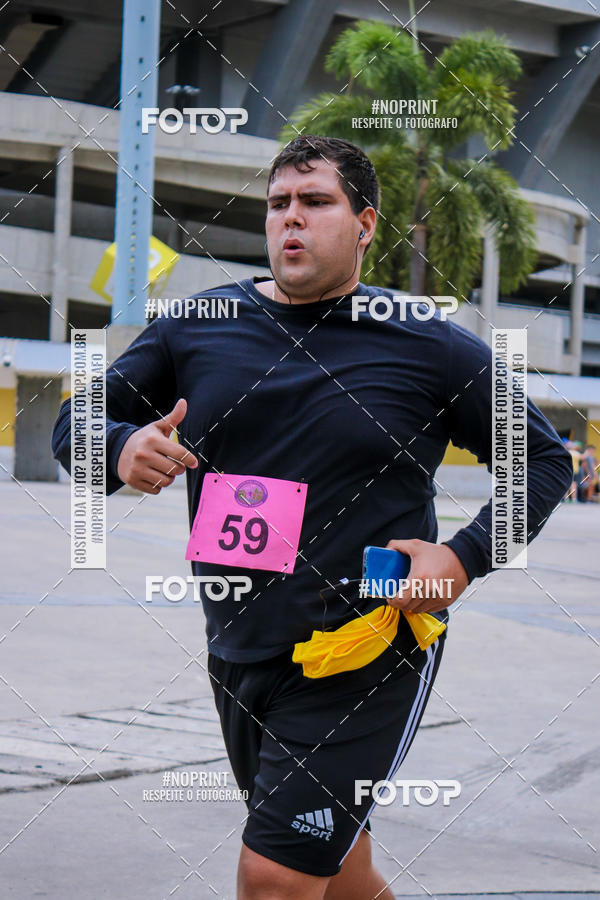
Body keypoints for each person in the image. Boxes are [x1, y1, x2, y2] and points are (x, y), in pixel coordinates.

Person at [52, 136, 573, 900]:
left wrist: (465, 557)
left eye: (315, 202)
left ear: (365, 223)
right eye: (278, 204)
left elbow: (544, 459)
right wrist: (120, 445)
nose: (290, 218)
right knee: (343, 875)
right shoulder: (197, 326)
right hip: (239, 647)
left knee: (273, 876)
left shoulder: (427, 344)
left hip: (365, 649)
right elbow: (76, 421)